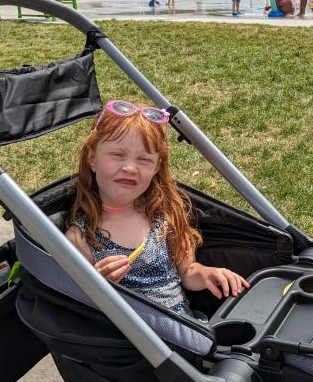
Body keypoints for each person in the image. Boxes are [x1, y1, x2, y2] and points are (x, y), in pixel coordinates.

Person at [64, 100, 249, 316]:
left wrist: (207, 275)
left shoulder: (162, 216)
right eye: (117, 155)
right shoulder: (80, 238)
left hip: (187, 328)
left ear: (155, 168)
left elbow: (188, 271)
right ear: (92, 158)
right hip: (138, 340)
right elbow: (79, 310)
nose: (130, 168)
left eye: (144, 159)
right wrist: (98, 285)